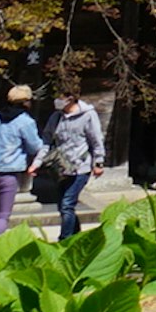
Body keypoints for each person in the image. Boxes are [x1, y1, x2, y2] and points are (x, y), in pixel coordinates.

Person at [0, 85, 45, 243]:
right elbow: (35, 146)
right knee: (3, 215)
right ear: (26, 102)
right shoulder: (25, 122)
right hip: (8, 174)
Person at [46, 87, 105, 235]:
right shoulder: (56, 117)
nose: (57, 101)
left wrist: (99, 162)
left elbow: (96, 139)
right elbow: (46, 138)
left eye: (60, 97)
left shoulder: (88, 115)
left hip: (80, 167)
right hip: (61, 167)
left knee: (67, 205)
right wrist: (38, 161)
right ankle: (76, 235)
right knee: (63, 206)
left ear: (70, 98)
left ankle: (65, 240)